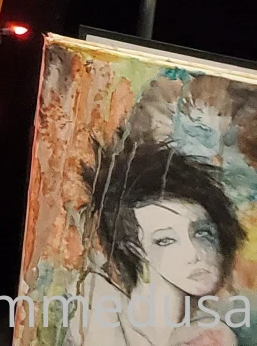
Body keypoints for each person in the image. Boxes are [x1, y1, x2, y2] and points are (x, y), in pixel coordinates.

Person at [79, 141, 245, 346]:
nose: (194, 253)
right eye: (165, 240)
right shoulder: (98, 305)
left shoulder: (211, 336)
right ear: (135, 249)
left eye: (202, 233)